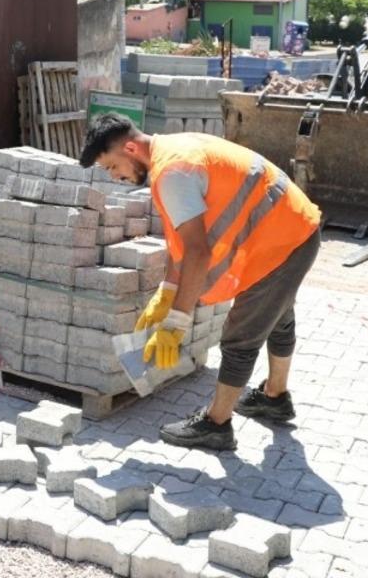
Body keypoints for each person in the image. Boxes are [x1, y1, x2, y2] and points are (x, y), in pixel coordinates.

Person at [79, 113, 321, 451]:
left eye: (111, 166)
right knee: (277, 316)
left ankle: (216, 425)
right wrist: (166, 293)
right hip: (289, 228)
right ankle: (275, 398)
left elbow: (197, 253)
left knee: (240, 336)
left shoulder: (172, 174)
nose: (115, 176)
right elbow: (183, 246)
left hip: (282, 241)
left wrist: (176, 321)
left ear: (130, 148)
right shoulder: (173, 150)